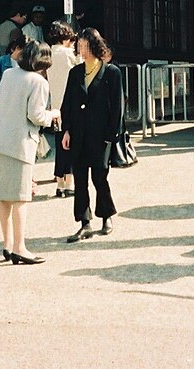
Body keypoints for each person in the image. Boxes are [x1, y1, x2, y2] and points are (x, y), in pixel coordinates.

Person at [0, 40, 60, 265]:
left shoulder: (8, 74)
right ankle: (20, 247)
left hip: (1, 140)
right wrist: (53, 114)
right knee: (21, 198)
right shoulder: (38, 81)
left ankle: (7, 245)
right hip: (21, 143)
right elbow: (36, 116)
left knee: (4, 198)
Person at [61, 28, 123, 243]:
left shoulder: (111, 72)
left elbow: (117, 107)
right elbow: (66, 103)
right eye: (80, 46)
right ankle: (84, 222)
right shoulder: (75, 72)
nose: (82, 51)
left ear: (95, 46)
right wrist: (66, 129)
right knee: (80, 179)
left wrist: (111, 135)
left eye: (86, 47)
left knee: (99, 177)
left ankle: (106, 215)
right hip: (78, 133)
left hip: (100, 134)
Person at [46, 21, 80, 198]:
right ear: (65, 36)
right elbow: (78, 75)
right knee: (71, 145)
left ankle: (60, 184)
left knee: (60, 145)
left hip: (55, 107)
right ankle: (69, 183)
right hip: (71, 106)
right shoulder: (68, 55)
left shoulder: (48, 54)